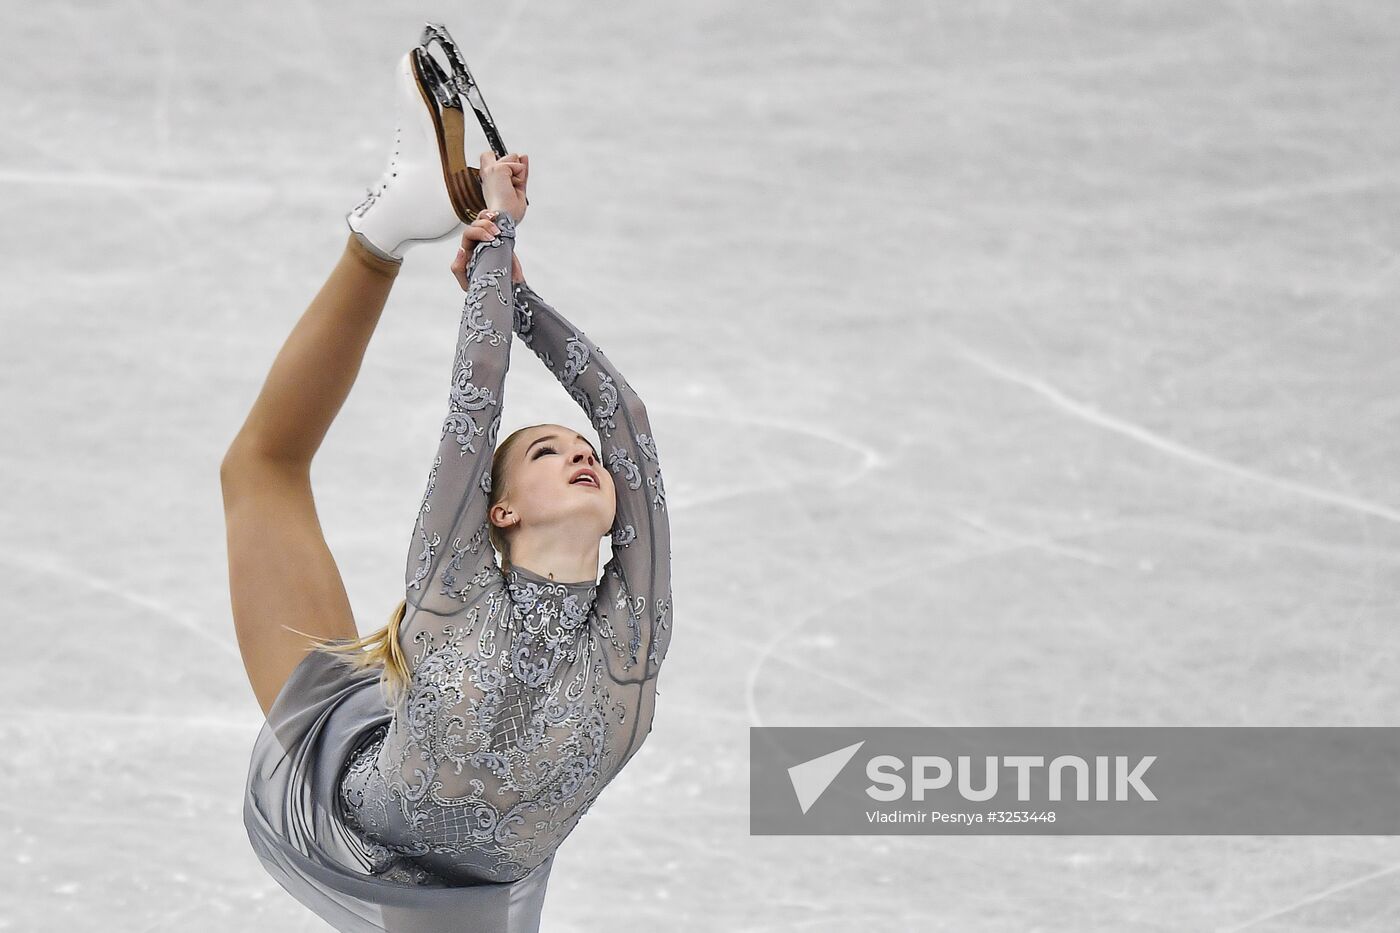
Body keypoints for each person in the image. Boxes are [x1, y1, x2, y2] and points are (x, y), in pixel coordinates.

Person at [221, 38, 672, 933]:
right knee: (261, 468)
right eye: (546, 452)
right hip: (347, 807)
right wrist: (493, 252)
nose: (583, 454)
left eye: (580, 451)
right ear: (496, 512)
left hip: (467, 896)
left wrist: (517, 291)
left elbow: (624, 419)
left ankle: (396, 219)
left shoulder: (633, 631)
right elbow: (478, 395)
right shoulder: (454, 588)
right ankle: (382, 233)